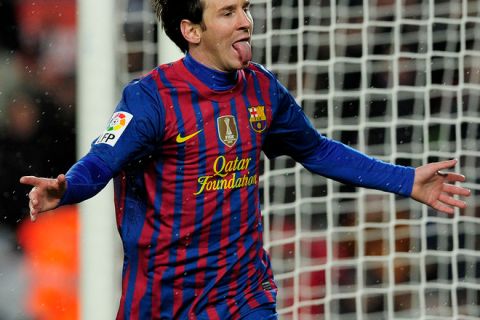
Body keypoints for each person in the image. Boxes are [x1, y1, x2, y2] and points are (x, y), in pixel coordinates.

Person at [20, 0, 471, 319]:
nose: (246, 22)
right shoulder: (149, 100)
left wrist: (406, 180)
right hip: (164, 302)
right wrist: (67, 188)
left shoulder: (262, 89)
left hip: (243, 296)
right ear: (191, 31)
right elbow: (101, 161)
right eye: (229, 13)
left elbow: (316, 150)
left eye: (246, 9)